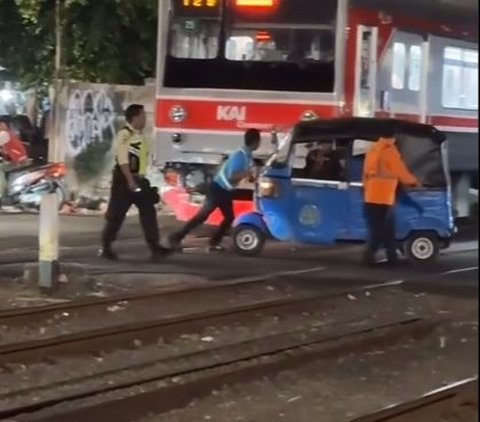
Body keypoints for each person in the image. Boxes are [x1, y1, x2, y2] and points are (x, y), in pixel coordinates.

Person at [169, 128, 261, 252]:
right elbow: (232, 175)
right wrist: (247, 173)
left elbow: (242, 174)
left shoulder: (247, 156)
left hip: (225, 190)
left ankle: (212, 243)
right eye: (259, 141)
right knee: (203, 216)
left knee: (228, 217)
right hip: (218, 189)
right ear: (255, 142)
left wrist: (250, 176)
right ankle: (177, 237)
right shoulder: (240, 155)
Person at [99, 104, 170, 262]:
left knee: (148, 212)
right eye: (143, 116)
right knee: (116, 215)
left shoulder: (140, 136)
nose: (145, 119)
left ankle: (155, 248)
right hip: (125, 181)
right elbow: (123, 160)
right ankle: (106, 246)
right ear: (135, 118)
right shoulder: (125, 135)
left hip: (139, 180)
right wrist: (130, 180)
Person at [362, 136, 421, 266]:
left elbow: (366, 172)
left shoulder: (374, 149)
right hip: (382, 196)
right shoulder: (389, 151)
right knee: (380, 231)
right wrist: (414, 181)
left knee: (387, 229)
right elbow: (400, 170)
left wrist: (366, 188)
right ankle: (368, 258)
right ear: (393, 138)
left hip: (372, 195)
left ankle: (392, 257)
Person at [0, 119, 29, 203]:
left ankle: (1, 193)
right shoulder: (9, 133)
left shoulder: (4, 134)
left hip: (19, 161)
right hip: (19, 160)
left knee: (0, 169)